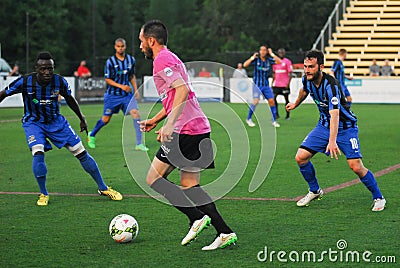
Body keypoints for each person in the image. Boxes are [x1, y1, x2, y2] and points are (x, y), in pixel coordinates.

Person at [138, 20, 237, 250]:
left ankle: (196, 217)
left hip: (185, 130)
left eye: (141, 40)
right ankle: (224, 231)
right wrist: (156, 120)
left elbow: (182, 91)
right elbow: (179, 95)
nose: (140, 45)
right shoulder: (172, 58)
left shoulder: (162, 59)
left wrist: (170, 125)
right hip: (198, 128)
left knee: (153, 179)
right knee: (190, 184)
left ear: (151, 40)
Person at [0, 52, 123, 206]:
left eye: (50, 68)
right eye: (43, 69)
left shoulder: (59, 81)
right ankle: (43, 193)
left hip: (56, 122)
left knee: (81, 152)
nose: (47, 72)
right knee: (38, 152)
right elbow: (3, 93)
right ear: (36, 69)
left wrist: (81, 118)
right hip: (33, 123)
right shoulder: (25, 82)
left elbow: (70, 99)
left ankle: (103, 188)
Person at [286, 50, 386, 212]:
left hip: (346, 129)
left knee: (355, 166)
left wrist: (332, 141)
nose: (307, 70)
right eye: (305, 66)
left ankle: (378, 197)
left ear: (321, 66)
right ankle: (315, 190)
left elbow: (335, 115)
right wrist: (296, 103)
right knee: (301, 157)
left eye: (311, 67)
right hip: (324, 126)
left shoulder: (331, 85)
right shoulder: (307, 79)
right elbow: (304, 90)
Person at [87, 38, 148, 151]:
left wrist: (135, 90)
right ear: (115, 47)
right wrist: (121, 86)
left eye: (122, 46)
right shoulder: (110, 62)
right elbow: (107, 79)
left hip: (126, 95)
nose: (120, 48)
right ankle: (92, 135)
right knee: (105, 120)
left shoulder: (130, 60)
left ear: (125, 47)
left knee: (136, 113)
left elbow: (131, 76)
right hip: (112, 96)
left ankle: (139, 144)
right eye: (118, 46)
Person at [243, 45, 281, 128]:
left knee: (272, 101)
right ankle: (248, 119)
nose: (263, 52)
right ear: (259, 51)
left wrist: (272, 54)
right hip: (257, 85)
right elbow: (245, 65)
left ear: (267, 51)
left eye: (264, 50)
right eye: (261, 50)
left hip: (266, 85)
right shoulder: (256, 60)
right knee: (255, 101)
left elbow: (279, 62)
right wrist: (252, 57)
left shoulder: (268, 60)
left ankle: (274, 120)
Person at [272, 48, 293, 120]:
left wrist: (288, 84)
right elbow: (274, 73)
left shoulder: (287, 61)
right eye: (279, 52)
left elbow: (290, 73)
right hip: (277, 84)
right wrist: (272, 83)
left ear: (284, 53)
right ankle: (276, 114)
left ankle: (288, 115)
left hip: (284, 84)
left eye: (282, 52)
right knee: (273, 98)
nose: (281, 53)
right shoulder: (275, 62)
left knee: (286, 100)